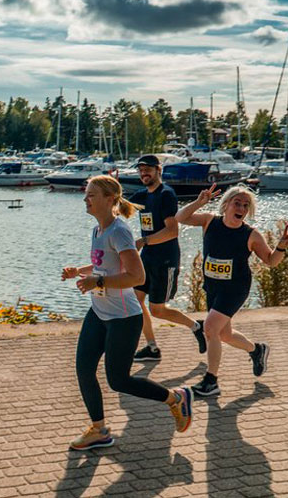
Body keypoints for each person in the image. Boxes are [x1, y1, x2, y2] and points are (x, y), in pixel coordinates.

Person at [62, 175, 193, 451]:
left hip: (124, 318)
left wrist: (97, 282)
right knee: (84, 368)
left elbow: (136, 275)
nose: (86, 199)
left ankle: (175, 398)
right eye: (86, 195)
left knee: (118, 380)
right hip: (99, 312)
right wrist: (81, 271)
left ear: (110, 200)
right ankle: (98, 430)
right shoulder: (99, 230)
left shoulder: (119, 231)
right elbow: (106, 265)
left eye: (91, 195)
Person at [176, 183, 288, 396]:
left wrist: (282, 247)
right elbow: (180, 218)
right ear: (226, 205)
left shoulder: (251, 235)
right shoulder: (208, 221)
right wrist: (199, 202)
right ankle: (256, 350)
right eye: (236, 203)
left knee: (210, 329)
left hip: (235, 288)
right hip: (212, 286)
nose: (240, 208)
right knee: (224, 335)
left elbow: (271, 261)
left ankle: (211, 381)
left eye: (245, 205)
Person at [127, 155, 206, 362]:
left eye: (148, 169)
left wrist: (143, 241)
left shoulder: (166, 195)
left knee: (158, 310)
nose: (144, 173)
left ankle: (197, 326)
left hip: (165, 260)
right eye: (141, 170)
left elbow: (172, 231)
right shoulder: (142, 196)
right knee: (135, 301)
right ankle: (152, 348)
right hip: (146, 259)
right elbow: (119, 205)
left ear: (158, 170)